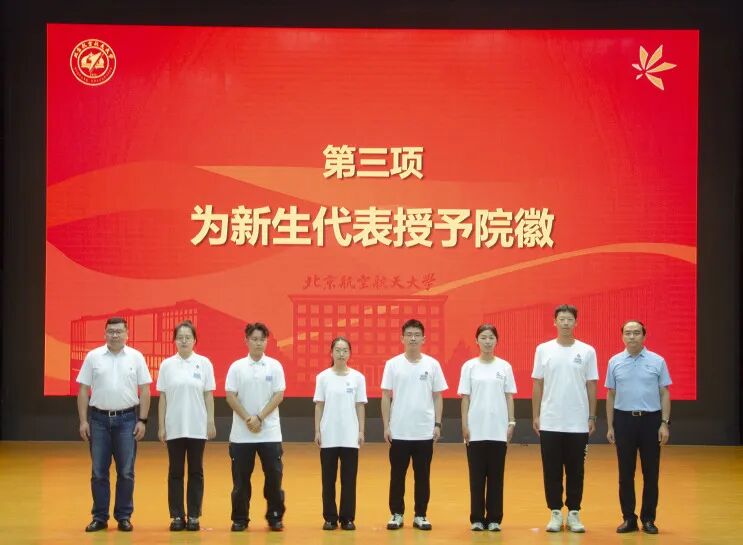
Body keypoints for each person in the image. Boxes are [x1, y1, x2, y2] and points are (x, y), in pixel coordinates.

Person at [76, 316, 152, 532]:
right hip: (98, 420)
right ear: (105, 333)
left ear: (127, 334)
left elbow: (145, 390)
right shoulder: (93, 357)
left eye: (119, 331)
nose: (115, 335)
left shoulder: (136, 357)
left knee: (126, 472)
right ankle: (99, 517)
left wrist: (142, 420)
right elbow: (83, 390)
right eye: (111, 331)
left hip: (127, 420)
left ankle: (124, 516)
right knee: (99, 472)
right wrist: (83, 421)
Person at [531, 304, 598, 533]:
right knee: (551, 470)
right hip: (550, 420)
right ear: (555, 322)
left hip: (577, 422)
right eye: (562, 319)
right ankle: (555, 512)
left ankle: (574, 513)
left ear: (576, 322)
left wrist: (591, 416)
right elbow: (537, 383)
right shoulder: (543, 349)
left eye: (570, 319)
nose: (566, 323)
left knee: (576, 470)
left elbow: (592, 384)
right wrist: (536, 414)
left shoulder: (587, 351)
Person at [381, 318, 448, 531]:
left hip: (424, 431)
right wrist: (386, 425)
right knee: (397, 476)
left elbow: (437, 396)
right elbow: (386, 396)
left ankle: (421, 515)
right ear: (402, 338)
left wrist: (437, 424)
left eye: (417, 335)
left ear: (423, 339)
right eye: (409, 335)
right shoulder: (392, 364)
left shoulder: (432, 364)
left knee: (423, 476)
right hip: (399, 431)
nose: (413, 338)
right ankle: (396, 514)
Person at [606, 320, 672, 534]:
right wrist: (610, 426)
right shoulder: (614, 361)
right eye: (627, 333)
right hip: (624, 421)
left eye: (636, 333)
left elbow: (664, 393)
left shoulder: (657, 361)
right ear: (622, 336)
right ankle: (629, 518)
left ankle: (648, 519)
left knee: (651, 474)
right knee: (625, 474)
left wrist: (664, 423)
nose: (632, 336)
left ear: (644, 336)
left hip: (650, 421)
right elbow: (611, 394)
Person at [225, 322, 286, 531]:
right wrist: (248, 419)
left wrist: (259, 418)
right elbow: (230, 395)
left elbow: (279, 395)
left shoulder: (275, 366)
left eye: (262, 339)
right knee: (241, 480)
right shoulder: (237, 367)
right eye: (254, 339)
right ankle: (240, 518)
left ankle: (275, 516)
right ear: (246, 341)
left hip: (270, 433)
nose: (258, 343)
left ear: (267, 341)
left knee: (274, 477)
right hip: (242, 434)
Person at [157, 320, 217, 531]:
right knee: (175, 472)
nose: (184, 341)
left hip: (197, 427)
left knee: (196, 471)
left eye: (188, 337)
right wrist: (161, 425)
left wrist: (210, 421)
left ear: (194, 340)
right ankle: (176, 516)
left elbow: (208, 395)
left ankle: (193, 515)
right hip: (174, 427)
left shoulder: (204, 363)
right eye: (180, 337)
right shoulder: (166, 365)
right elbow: (163, 398)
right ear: (174, 340)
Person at [458, 324, 517, 532]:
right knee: (476, 477)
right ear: (477, 341)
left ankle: (494, 519)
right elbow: (465, 398)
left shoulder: (504, 366)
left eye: (491, 337)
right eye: (483, 337)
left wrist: (511, 422)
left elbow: (509, 396)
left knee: (496, 477)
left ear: (496, 341)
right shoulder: (469, 367)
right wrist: (464, 424)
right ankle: (476, 518)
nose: (487, 341)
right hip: (475, 430)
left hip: (498, 430)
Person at [313, 337, 367, 531]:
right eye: (338, 350)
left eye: (345, 350)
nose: (341, 354)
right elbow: (319, 405)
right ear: (331, 352)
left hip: (350, 436)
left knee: (349, 480)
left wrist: (361, 431)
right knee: (328, 480)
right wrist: (317, 430)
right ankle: (330, 518)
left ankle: (347, 518)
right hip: (329, 435)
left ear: (350, 353)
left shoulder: (358, 378)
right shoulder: (323, 377)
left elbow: (360, 406)